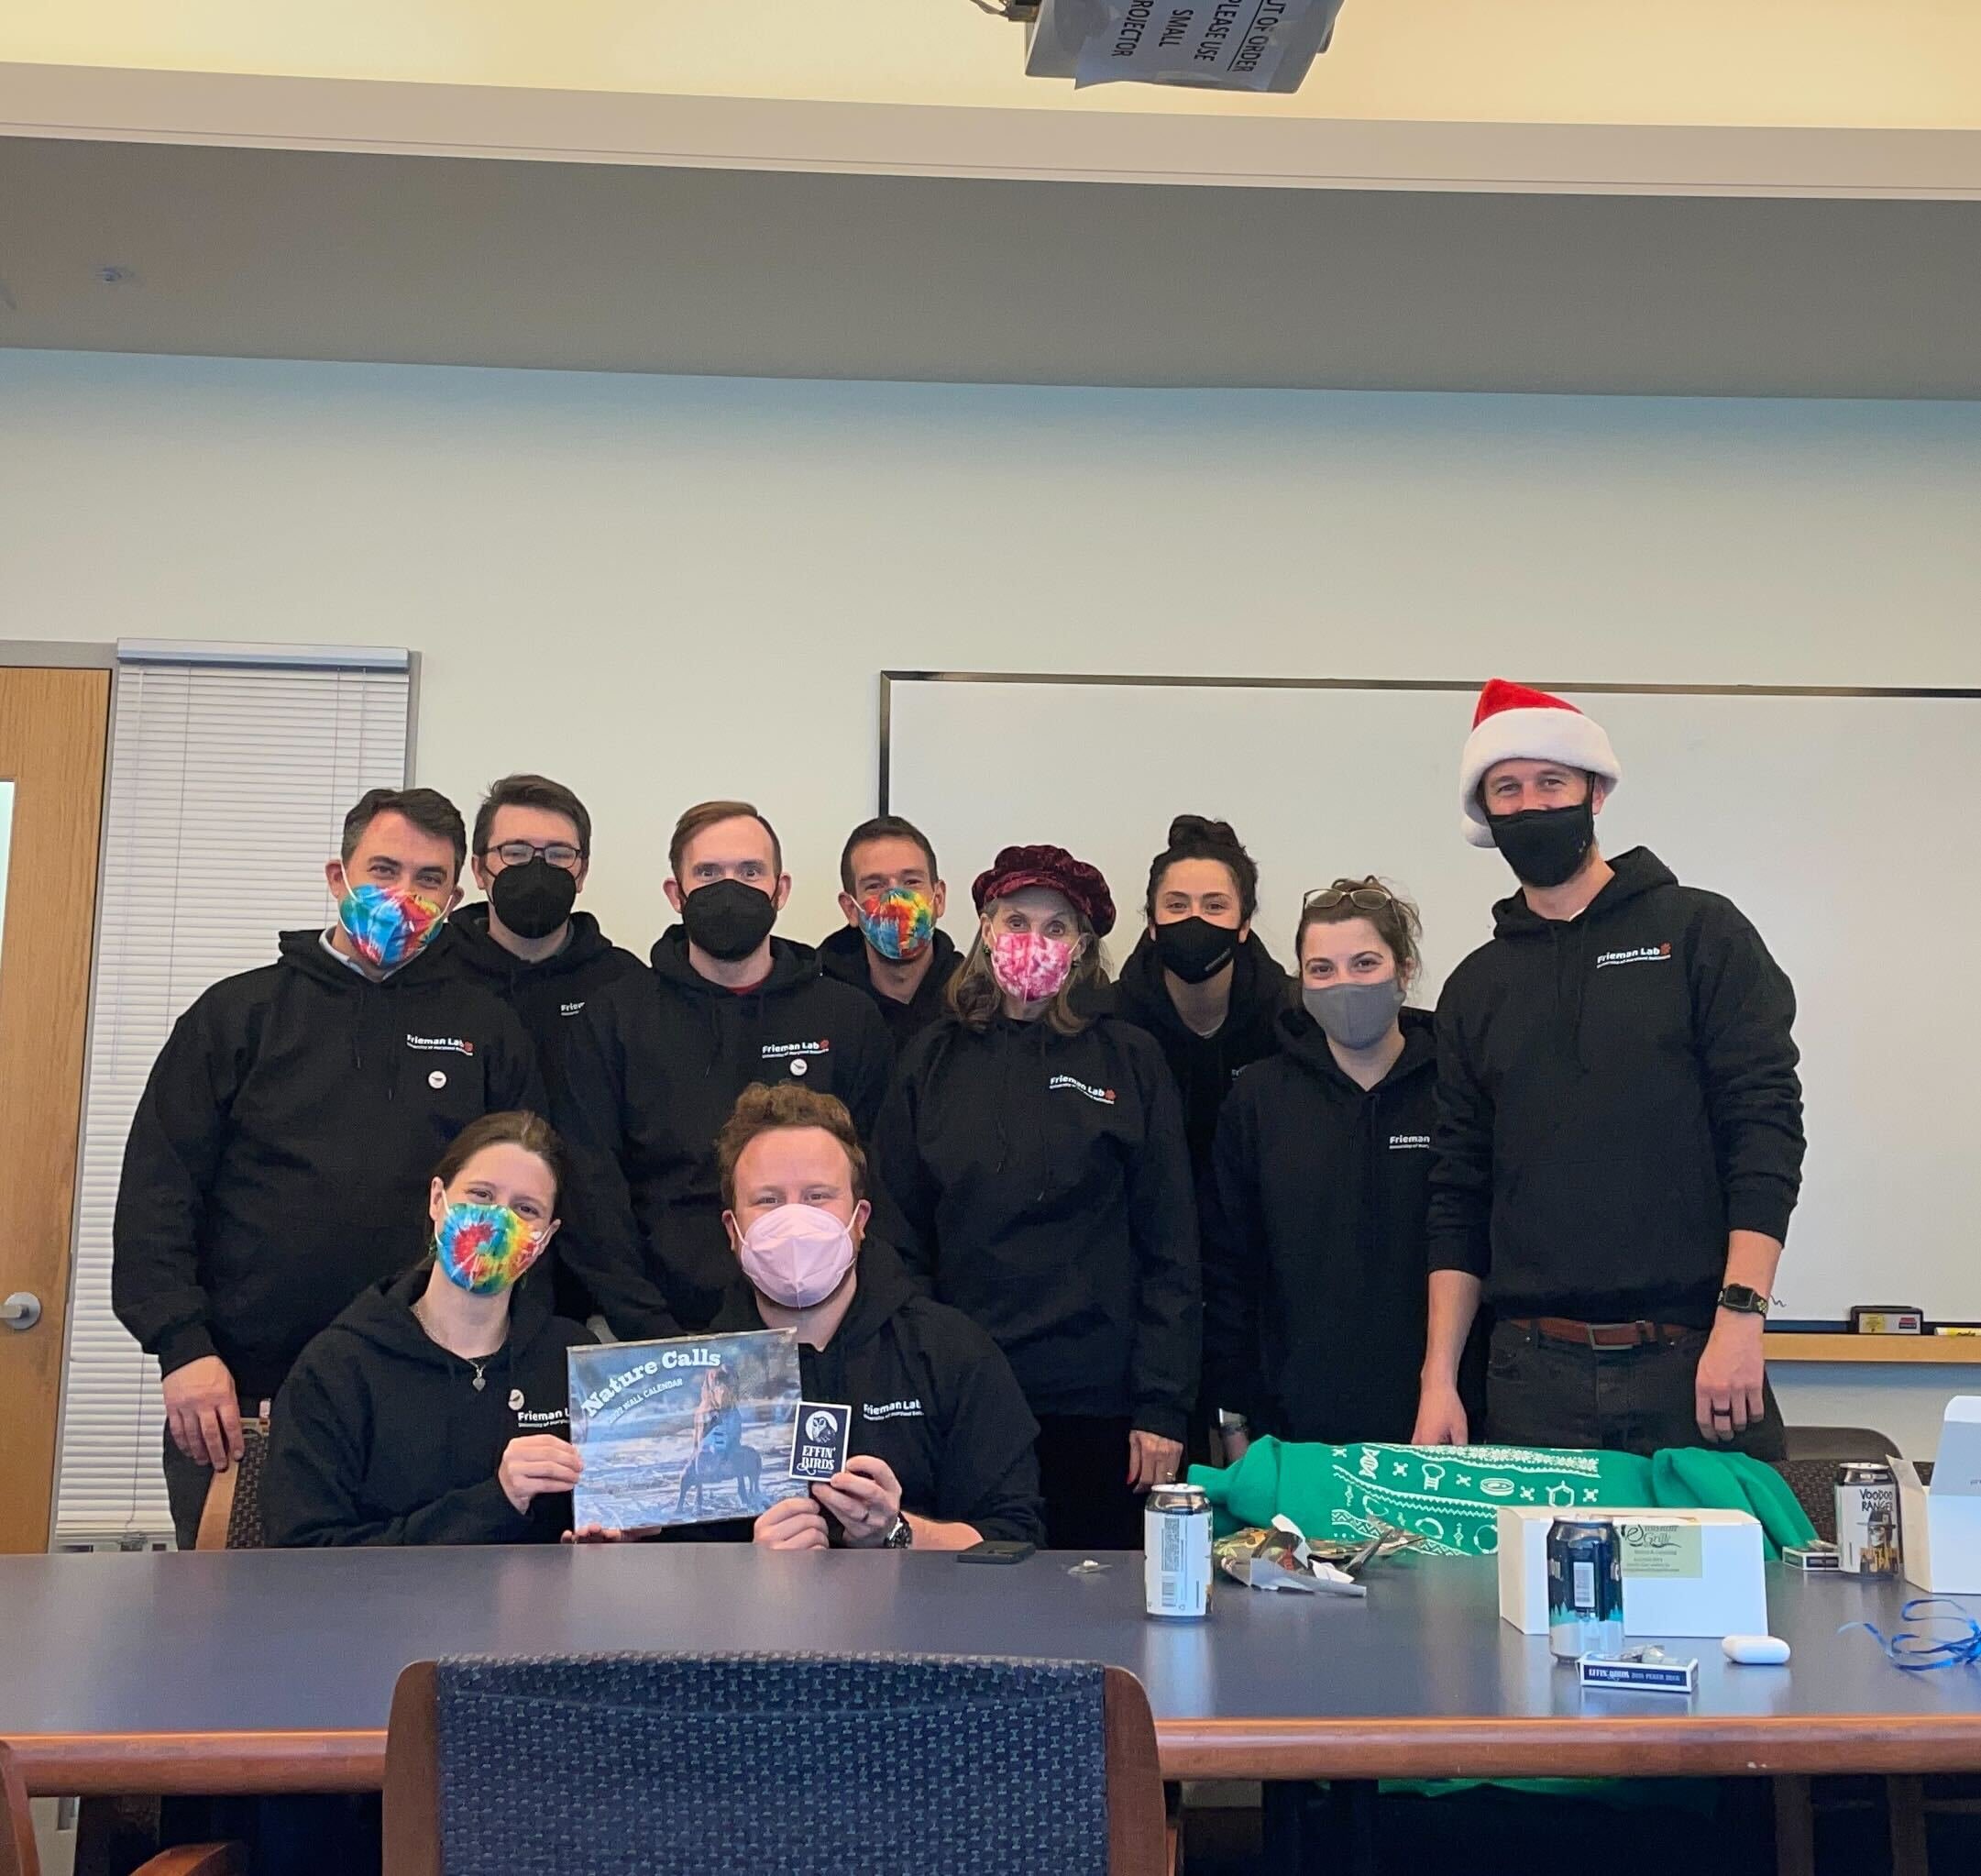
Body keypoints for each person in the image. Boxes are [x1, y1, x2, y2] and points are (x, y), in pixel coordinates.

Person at [113, 788, 545, 1550]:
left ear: (456, 895)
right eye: (383, 869)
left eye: (429, 879)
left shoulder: (488, 1027)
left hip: (429, 1392)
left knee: (425, 1622)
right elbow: (158, 1192)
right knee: (238, 1632)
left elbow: (524, 1197)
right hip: (246, 1397)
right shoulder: (237, 1014)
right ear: (337, 876)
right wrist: (182, 1349)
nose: (403, 895)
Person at [1415, 679, 1803, 1458]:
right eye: (1506, 789)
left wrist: (1739, 1317)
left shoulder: (1700, 932)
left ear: (1593, 792)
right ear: (1484, 813)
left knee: (1726, 1580)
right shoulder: (1475, 986)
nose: (1529, 805)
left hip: (1694, 1361)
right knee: (1527, 1586)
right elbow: (1458, 1191)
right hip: (1527, 1379)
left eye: (1549, 782)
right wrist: (1438, 1381)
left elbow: (1762, 1128)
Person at [873, 844, 1199, 1551]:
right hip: (963, 1398)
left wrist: (1162, 1405)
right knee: (964, 1612)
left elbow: (1169, 1244)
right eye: (1016, 920)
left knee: (1097, 1615)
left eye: (1056, 928)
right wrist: (917, 1387)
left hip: (1099, 1403)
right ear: (985, 929)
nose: (1033, 942)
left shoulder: (1129, 1058)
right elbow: (897, 1238)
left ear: (1082, 948)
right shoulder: (929, 1060)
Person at [557, 800, 894, 1339]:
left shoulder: (847, 1016)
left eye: (750, 872)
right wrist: (648, 1328)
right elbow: (590, 1186)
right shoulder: (616, 1017)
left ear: (780, 891)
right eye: (708, 873)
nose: (730, 888)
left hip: (821, 1326)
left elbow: (881, 1177)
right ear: (677, 894)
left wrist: (842, 1319)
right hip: (655, 1329)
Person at [681, 1084, 1042, 1550]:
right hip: (751, 1624)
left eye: (818, 1196)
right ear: (733, 1229)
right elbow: (666, 1577)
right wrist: (750, 1569)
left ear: (860, 1218)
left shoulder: (951, 1353)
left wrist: (898, 1533)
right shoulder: (696, 1378)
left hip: (920, 1622)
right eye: (768, 1200)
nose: (794, 1221)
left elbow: (1018, 1538)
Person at [1205, 878, 1480, 1451]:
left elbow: (1476, 1234)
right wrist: (1234, 1418)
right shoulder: (1259, 1098)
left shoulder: (1456, 1085)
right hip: (1296, 1423)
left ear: (1404, 970)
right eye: (1322, 970)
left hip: (1446, 1411)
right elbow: (1230, 1270)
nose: (1344, 984)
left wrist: (1449, 1383)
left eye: (1365, 963)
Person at [263, 1111, 594, 1546]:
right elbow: (302, 1554)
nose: (498, 1221)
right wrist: (497, 1501)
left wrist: (610, 1542)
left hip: (546, 1613)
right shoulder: (338, 1368)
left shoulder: (575, 1360)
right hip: (381, 1614)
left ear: (546, 1237)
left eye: (525, 1209)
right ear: (438, 1200)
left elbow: (596, 1519)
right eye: (480, 1194)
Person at [444, 774, 645, 1113]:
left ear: (581, 873)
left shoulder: (626, 985)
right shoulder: (435, 975)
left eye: (558, 854)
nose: (538, 867)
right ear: (479, 871)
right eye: (516, 852)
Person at [819, 814, 963, 1048]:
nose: (897, 900)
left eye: (912, 882)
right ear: (850, 909)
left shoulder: (974, 1000)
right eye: (875, 885)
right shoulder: (820, 1003)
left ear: (939, 899)